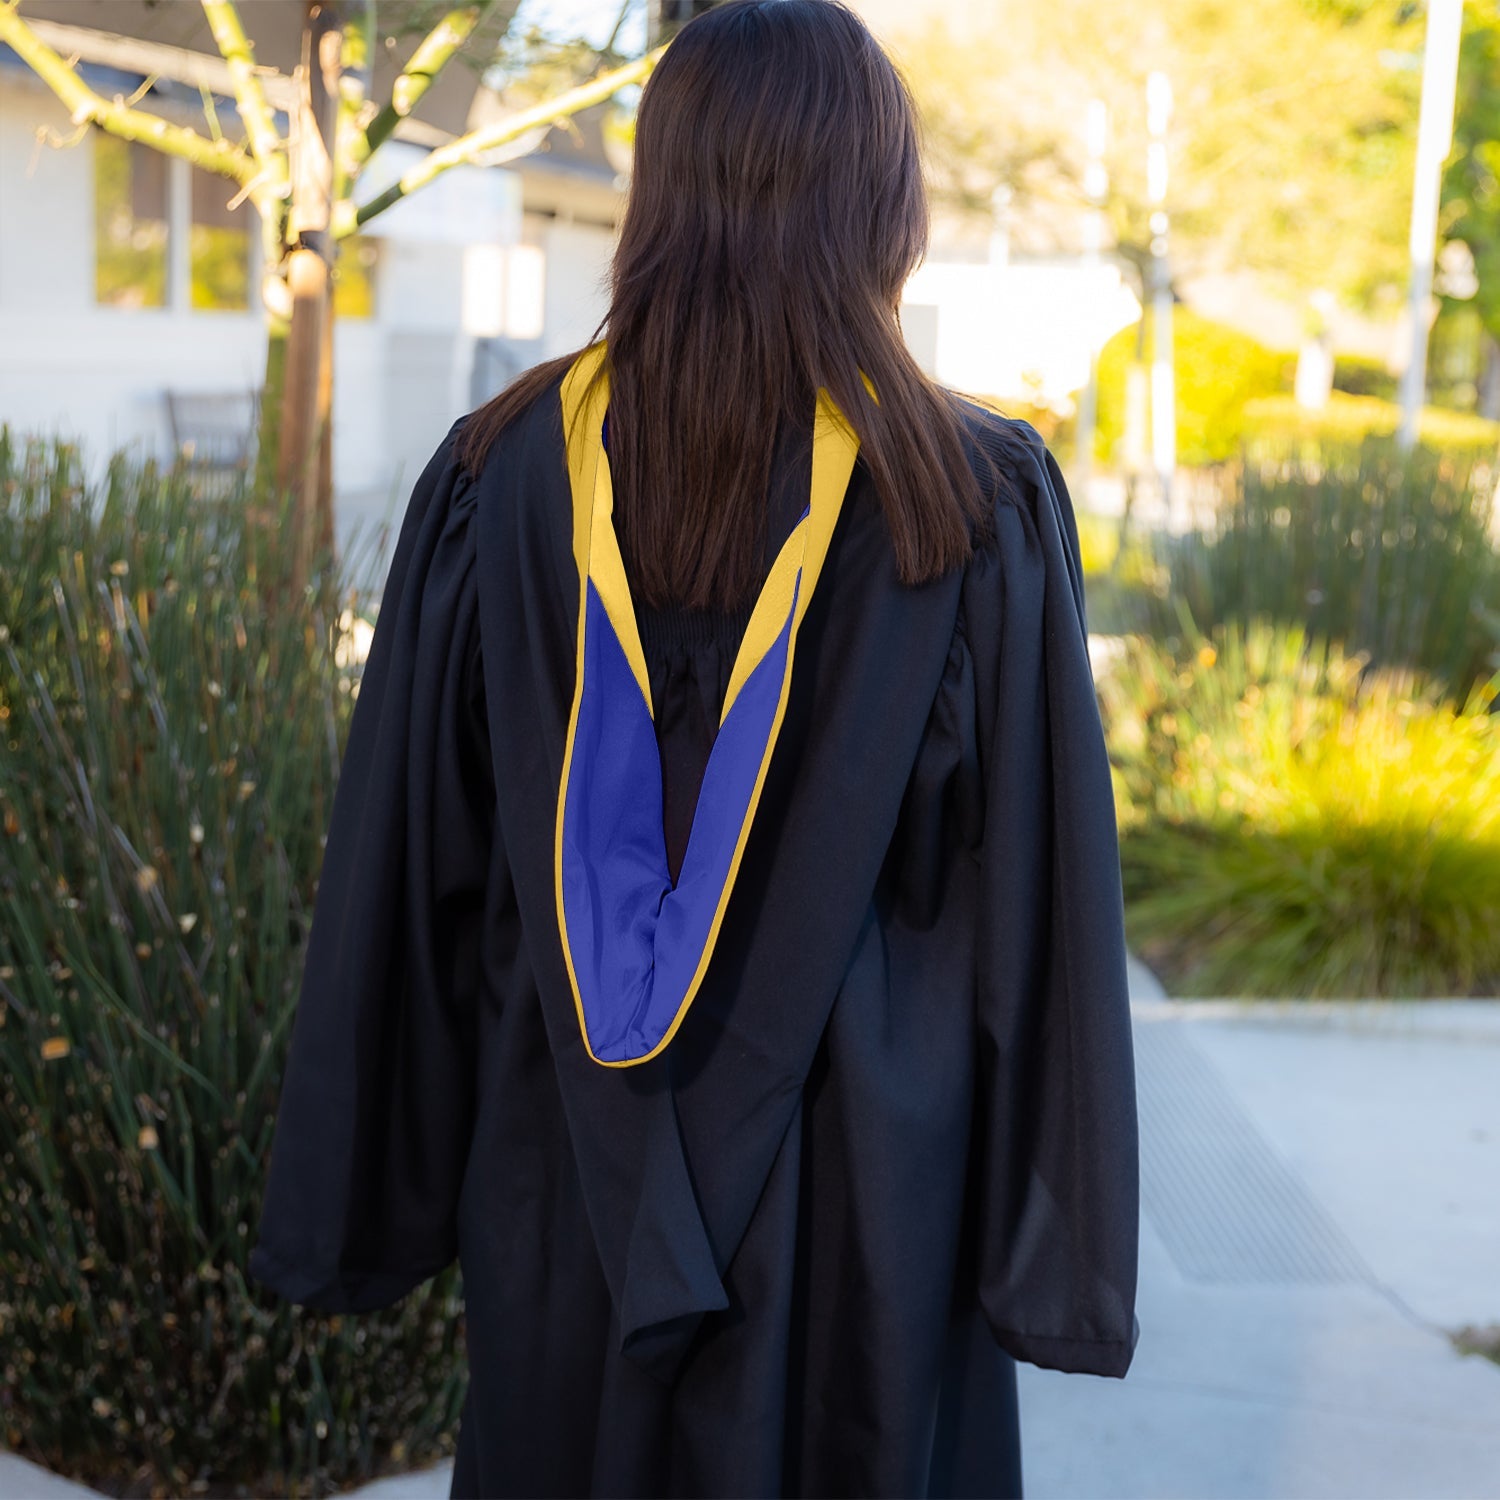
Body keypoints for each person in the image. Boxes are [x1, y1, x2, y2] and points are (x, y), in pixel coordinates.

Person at [247, 2, 1141, 1496]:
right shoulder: (969, 504)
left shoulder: (500, 477)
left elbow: (413, 876)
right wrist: (1050, 1245)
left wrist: (362, 1199)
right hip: (875, 1217)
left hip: (568, 1193)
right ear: (884, 204)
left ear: (657, 191)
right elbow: (1040, 909)